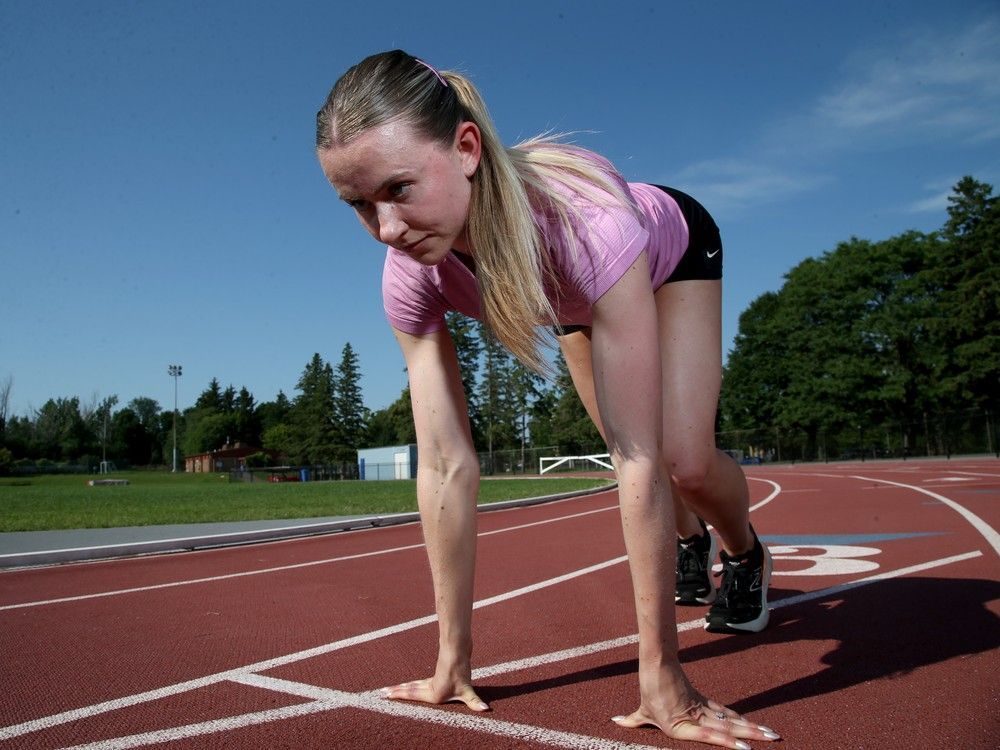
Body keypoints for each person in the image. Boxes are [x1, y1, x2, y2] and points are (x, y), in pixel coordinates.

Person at [315, 50, 780, 749]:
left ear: (466, 148)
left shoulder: (586, 222)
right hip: (565, 292)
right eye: (359, 204)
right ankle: (687, 542)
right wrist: (451, 662)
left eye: (399, 189)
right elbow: (444, 466)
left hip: (662, 257)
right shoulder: (410, 273)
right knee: (645, 471)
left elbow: (636, 455)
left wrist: (663, 679)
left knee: (677, 459)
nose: (385, 228)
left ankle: (741, 553)